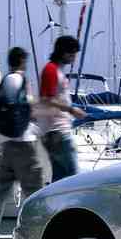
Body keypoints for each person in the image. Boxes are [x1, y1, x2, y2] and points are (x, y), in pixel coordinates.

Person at [0, 47, 48, 239]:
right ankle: (40, 231)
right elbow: (21, 108)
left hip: (8, 144)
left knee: (2, 189)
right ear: (21, 61)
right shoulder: (16, 79)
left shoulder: (7, 79)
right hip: (23, 144)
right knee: (36, 189)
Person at [38, 35, 85, 182]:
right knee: (74, 178)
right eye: (72, 54)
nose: (74, 58)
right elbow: (46, 99)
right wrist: (71, 110)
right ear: (63, 52)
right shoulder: (51, 70)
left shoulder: (56, 71)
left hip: (55, 132)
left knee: (60, 180)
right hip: (57, 131)